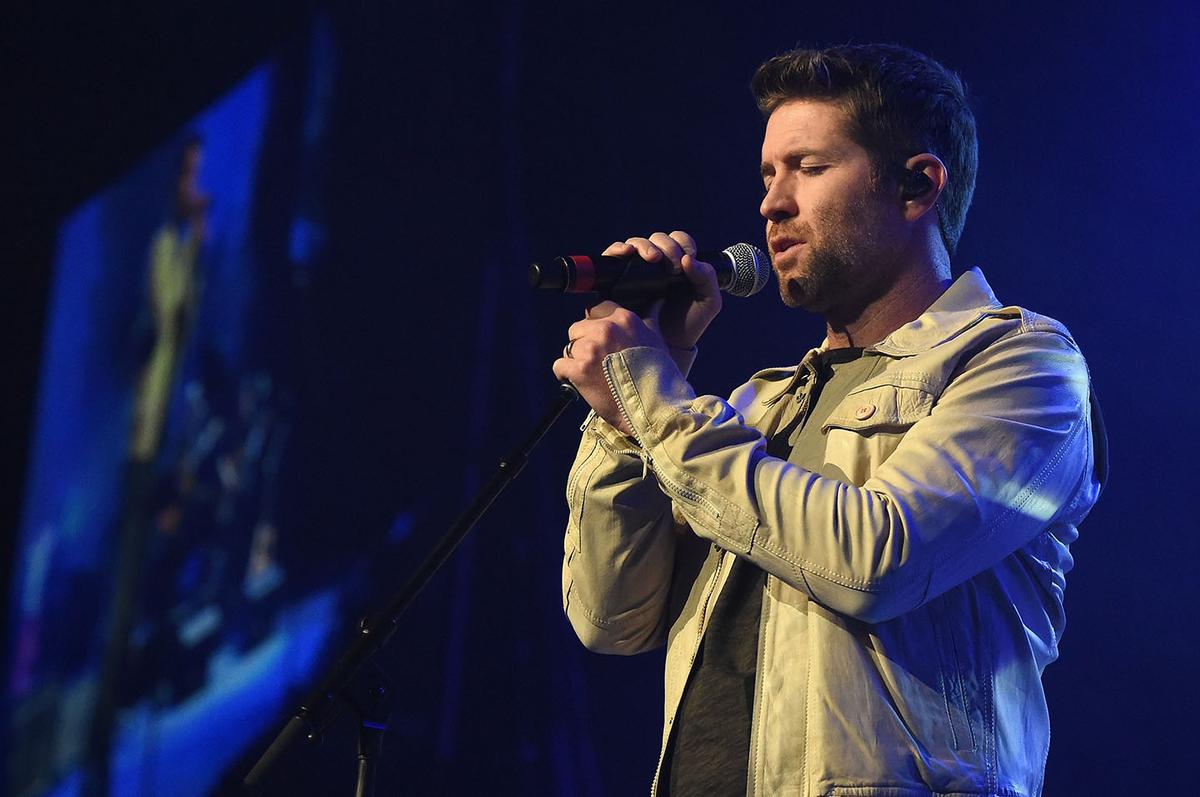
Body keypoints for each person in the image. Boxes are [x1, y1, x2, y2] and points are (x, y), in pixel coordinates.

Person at [553, 44, 1106, 797]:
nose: (771, 204)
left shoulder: (1023, 366)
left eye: (809, 168)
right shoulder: (756, 406)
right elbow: (612, 617)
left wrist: (652, 397)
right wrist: (628, 419)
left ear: (917, 187)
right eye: (768, 174)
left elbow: (877, 559)